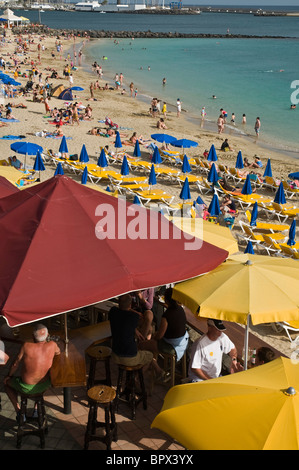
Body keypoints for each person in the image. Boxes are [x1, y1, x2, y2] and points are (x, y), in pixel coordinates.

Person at [4, 324, 60, 421]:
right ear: (47, 335)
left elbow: (15, 364)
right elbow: (58, 353)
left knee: (6, 384)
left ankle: (19, 412)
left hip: (25, 387)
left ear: (33, 336)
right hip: (45, 385)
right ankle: (36, 409)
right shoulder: (53, 345)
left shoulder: (26, 346)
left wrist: (9, 376)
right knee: (44, 381)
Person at [108, 294, 164, 376]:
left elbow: (124, 320)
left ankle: (158, 370)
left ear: (118, 302)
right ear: (130, 305)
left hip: (114, 354)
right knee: (150, 355)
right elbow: (136, 317)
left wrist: (134, 330)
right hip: (129, 357)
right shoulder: (134, 317)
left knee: (143, 353)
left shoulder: (113, 312)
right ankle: (136, 378)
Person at [152, 288, 189, 362]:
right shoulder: (180, 309)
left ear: (166, 300)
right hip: (183, 341)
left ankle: (155, 368)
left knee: (143, 345)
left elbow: (160, 336)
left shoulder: (166, 315)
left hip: (173, 345)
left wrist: (154, 337)